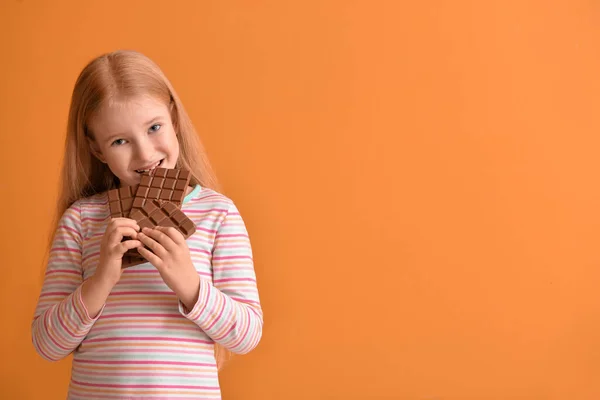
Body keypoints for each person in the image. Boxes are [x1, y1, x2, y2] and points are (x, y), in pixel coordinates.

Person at [31, 49, 263, 399]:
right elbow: (47, 345)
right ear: (96, 150)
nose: (144, 154)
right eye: (119, 141)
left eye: (154, 127)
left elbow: (245, 336)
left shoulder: (219, 214)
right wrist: (101, 280)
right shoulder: (82, 221)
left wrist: (190, 285)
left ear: (173, 118)